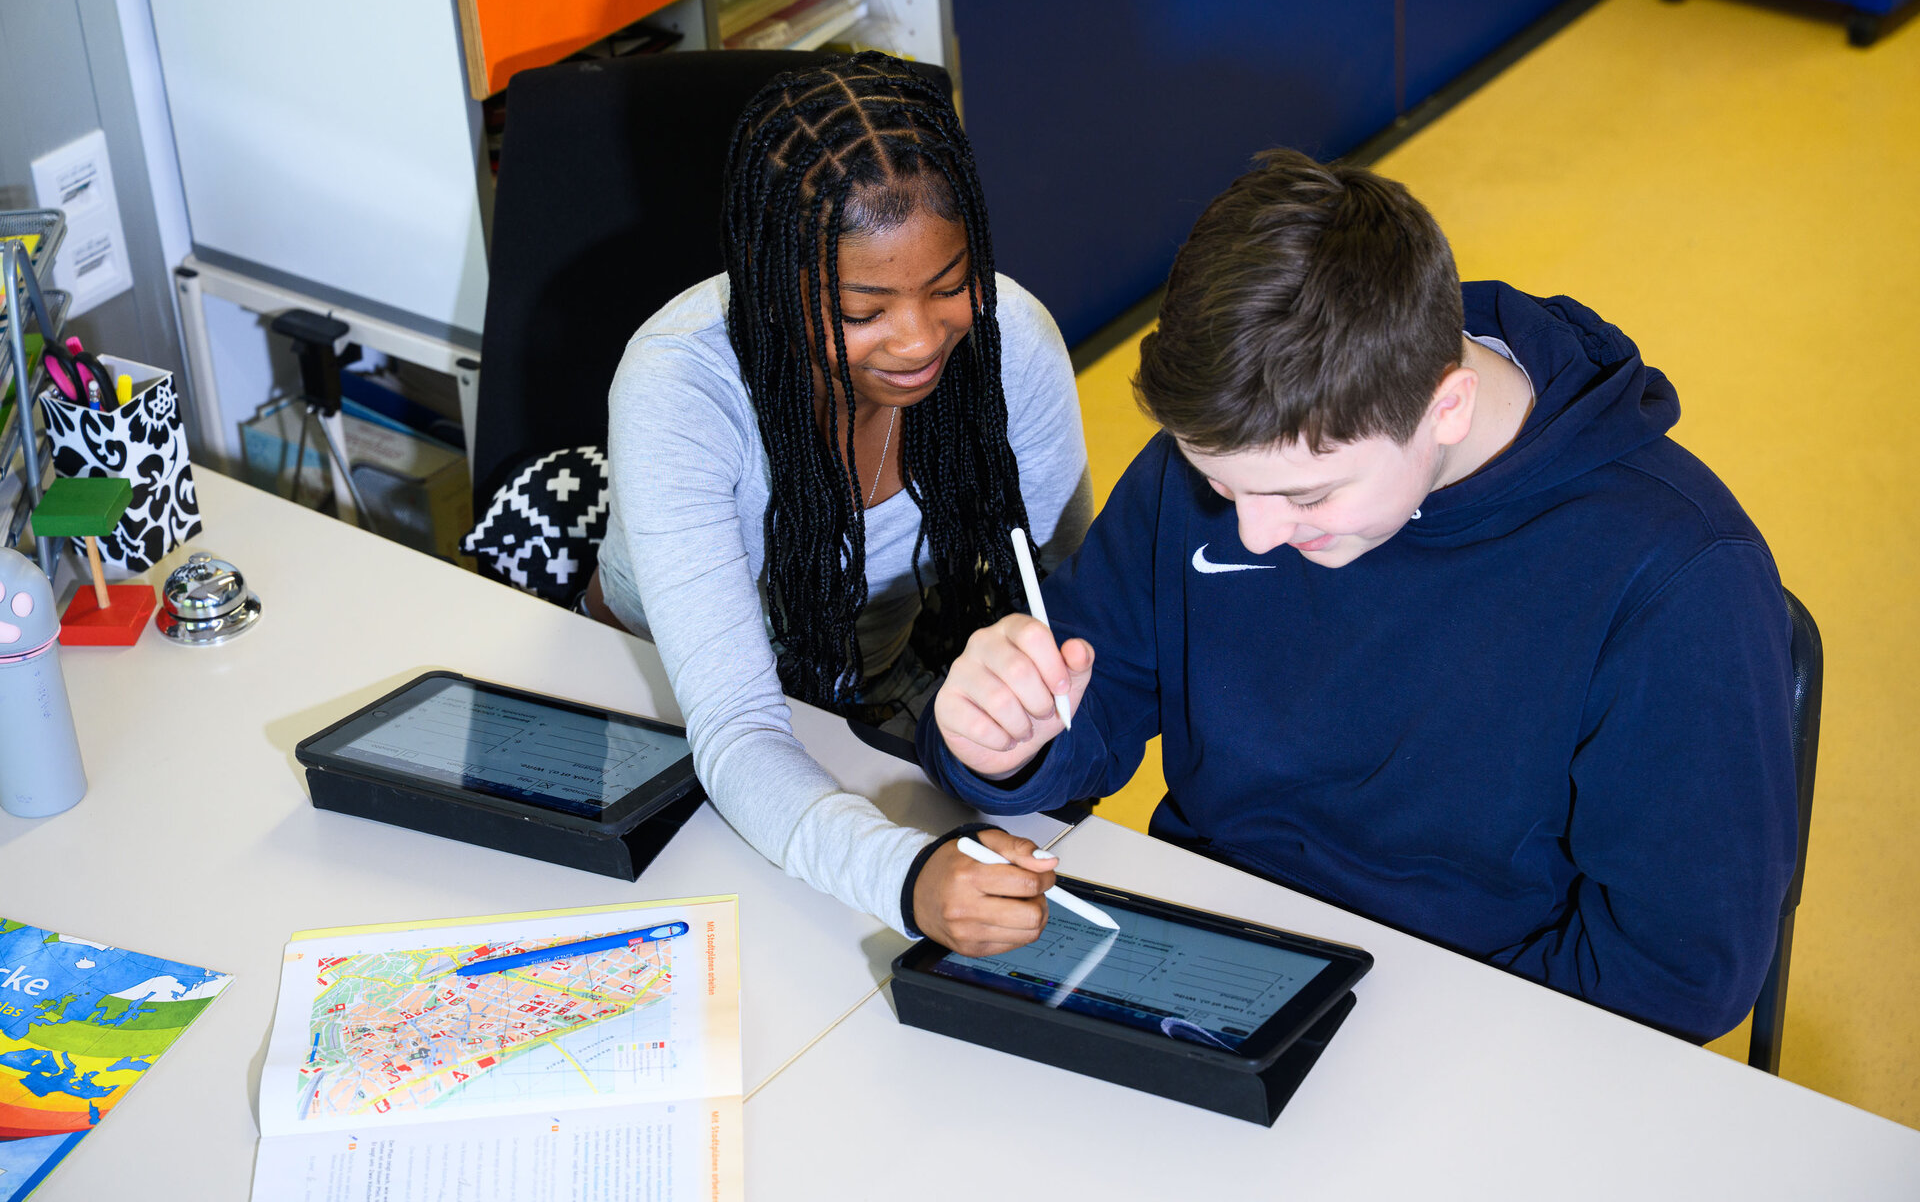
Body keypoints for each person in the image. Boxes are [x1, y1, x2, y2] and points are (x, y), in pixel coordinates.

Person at [917, 148, 1797, 1040]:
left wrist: (1396, 1027)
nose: (1253, 531)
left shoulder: (1679, 580)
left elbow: (1678, 975)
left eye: (1307, 496)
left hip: (1480, 1020)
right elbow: (1088, 705)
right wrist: (1004, 743)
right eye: (1222, 486)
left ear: (1445, 408)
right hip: (1215, 962)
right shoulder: (1249, 441)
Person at [587, 54, 1091, 950]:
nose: (920, 338)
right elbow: (737, 726)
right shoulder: (680, 390)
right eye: (864, 309)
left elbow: (1073, 604)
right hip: (664, 688)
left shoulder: (1012, 340)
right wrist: (904, 879)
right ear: (773, 282)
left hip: (887, 675)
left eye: (949, 286)